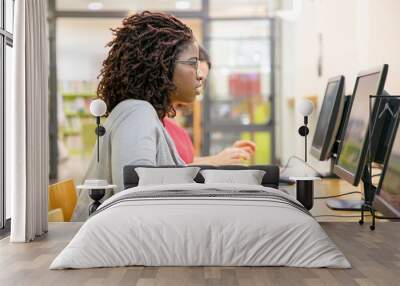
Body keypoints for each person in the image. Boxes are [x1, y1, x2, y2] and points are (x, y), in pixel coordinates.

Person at [72, 11, 203, 221]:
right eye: (193, 62)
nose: (200, 73)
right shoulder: (137, 114)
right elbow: (136, 196)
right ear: (163, 64)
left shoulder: (143, 113)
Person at [163, 46, 256, 165]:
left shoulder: (173, 120)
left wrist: (225, 157)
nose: (199, 83)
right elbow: (166, 173)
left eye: (203, 79)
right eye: (195, 74)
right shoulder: (154, 120)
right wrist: (214, 161)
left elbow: (185, 163)